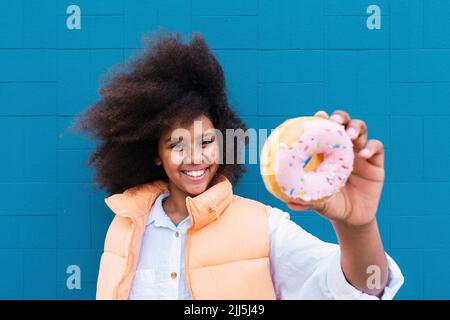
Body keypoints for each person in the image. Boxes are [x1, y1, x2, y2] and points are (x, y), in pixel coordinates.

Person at [76, 32, 403, 300]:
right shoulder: (124, 227)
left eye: (206, 142)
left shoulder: (264, 227)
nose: (196, 157)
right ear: (156, 154)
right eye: (177, 144)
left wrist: (357, 227)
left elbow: (358, 290)